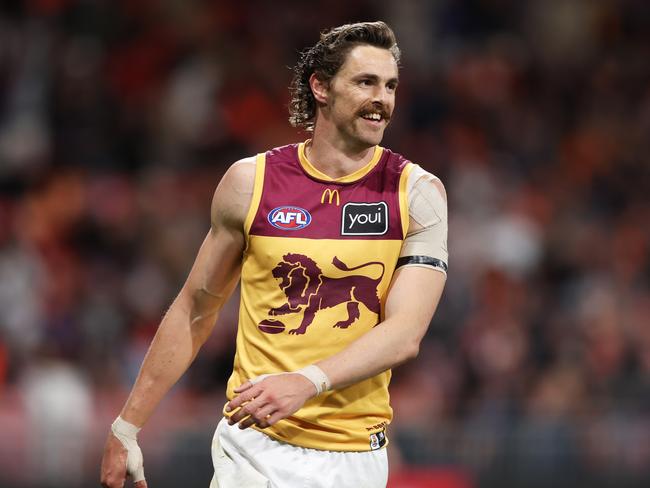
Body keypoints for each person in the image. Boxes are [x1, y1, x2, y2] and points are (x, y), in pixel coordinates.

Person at [100, 21, 448, 488]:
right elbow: (195, 308)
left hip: (356, 458)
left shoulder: (417, 194)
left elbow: (405, 334)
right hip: (255, 446)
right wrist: (127, 425)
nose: (382, 99)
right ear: (320, 87)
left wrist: (307, 381)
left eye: (390, 86)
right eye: (365, 82)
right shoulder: (250, 183)